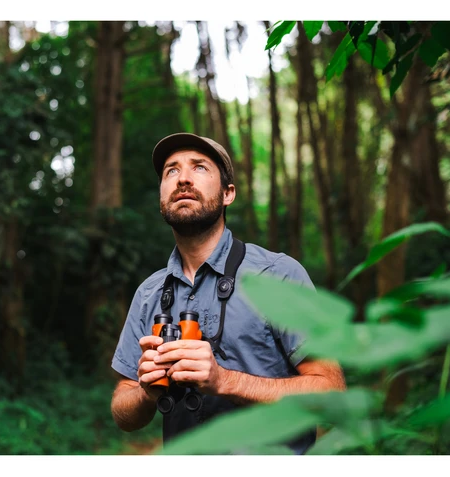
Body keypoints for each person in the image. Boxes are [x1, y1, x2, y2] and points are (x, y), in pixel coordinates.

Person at [109, 132, 346, 454]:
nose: (183, 179)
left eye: (200, 168)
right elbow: (123, 411)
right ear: (161, 196)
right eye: (171, 171)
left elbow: (332, 397)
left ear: (228, 193)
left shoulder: (277, 275)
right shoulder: (149, 293)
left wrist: (226, 381)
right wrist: (145, 392)